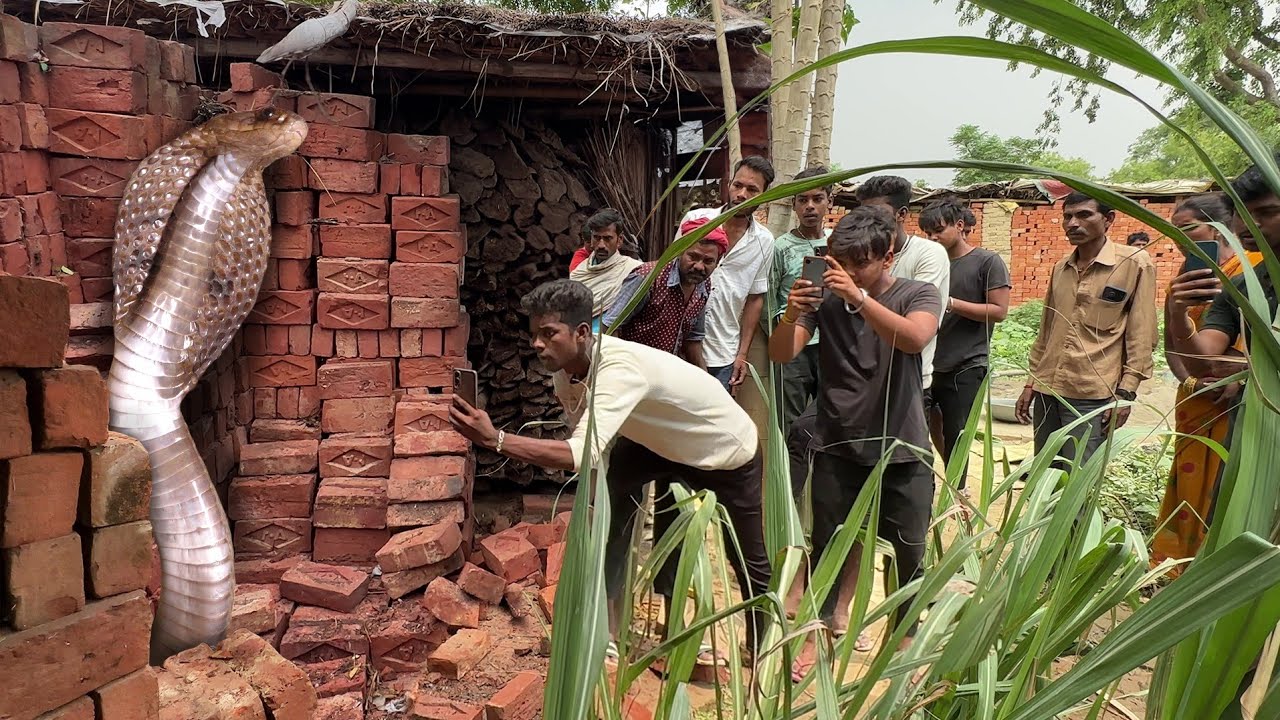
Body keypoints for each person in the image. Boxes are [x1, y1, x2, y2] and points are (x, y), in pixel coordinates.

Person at [448, 279, 772, 661]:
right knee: (613, 529)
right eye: (534, 334)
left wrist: (495, 440)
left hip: (723, 451)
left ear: (583, 332)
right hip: (652, 442)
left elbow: (579, 453)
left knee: (746, 556)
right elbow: (590, 444)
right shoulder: (565, 371)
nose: (537, 344)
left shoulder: (618, 370)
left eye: (549, 334)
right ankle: (609, 635)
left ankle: (761, 649)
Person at [769, 205, 942, 680]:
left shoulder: (918, 293)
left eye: (858, 264)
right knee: (828, 545)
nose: (846, 273)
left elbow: (913, 339)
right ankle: (818, 637)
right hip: (837, 440)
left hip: (900, 445)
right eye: (839, 263)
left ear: (888, 255)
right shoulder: (825, 301)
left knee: (909, 550)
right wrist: (791, 313)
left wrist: (861, 299)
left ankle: (904, 643)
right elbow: (782, 353)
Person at [1153, 193, 1262, 572]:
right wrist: (1192, 382)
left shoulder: (1252, 273)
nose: (1181, 240)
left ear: (1223, 226)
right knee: (1193, 486)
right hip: (1199, 398)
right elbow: (1177, 345)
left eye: (1190, 229)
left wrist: (1242, 376)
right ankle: (1184, 565)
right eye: (1174, 232)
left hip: (1251, 403)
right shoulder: (1184, 282)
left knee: (1232, 486)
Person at [1014, 192, 1158, 466]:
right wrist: (1032, 382)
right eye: (1067, 216)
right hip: (1048, 390)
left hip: (1091, 393)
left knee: (1078, 477)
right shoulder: (1061, 268)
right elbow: (1046, 331)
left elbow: (1142, 332)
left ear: (1108, 219)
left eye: (1083, 215)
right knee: (1045, 471)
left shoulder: (1134, 264)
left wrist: (1126, 393)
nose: (1072, 223)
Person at [919, 197, 1010, 488]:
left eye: (938, 230)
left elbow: (999, 311)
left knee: (958, 432)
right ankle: (948, 482)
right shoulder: (931, 263)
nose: (932, 237)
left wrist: (952, 303)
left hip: (966, 364)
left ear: (960, 226)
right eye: (927, 232)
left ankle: (960, 491)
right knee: (933, 428)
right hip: (930, 362)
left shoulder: (987, 262)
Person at [678, 156, 776, 395]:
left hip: (723, 352)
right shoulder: (696, 221)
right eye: (737, 185)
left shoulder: (764, 242)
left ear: (764, 195)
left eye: (752, 189)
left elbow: (755, 299)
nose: (741, 194)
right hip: (679, 344)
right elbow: (672, 272)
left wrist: (742, 355)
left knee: (713, 427)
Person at [603, 217, 727, 368]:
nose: (699, 266)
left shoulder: (703, 285)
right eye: (693, 257)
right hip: (634, 369)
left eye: (708, 261)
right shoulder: (648, 277)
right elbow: (610, 326)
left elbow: (693, 340)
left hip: (667, 374)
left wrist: (708, 383)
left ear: (718, 261)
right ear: (680, 251)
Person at [770, 166, 834, 428]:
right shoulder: (781, 247)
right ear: (794, 205)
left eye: (817, 199)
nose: (810, 206)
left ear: (830, 202)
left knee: (830, 416)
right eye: (802, 200)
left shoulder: (837, 244)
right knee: (790, 421)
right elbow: (769, 302)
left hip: (831, 345)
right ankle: (788, 469)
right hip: (794, 349)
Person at [570, 209, 643, 332]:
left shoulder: (633, 270)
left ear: (619, 240)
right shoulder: (579, 273)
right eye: (596, 238)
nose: (601, 245)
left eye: (607, 238)